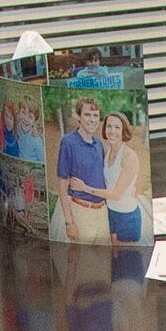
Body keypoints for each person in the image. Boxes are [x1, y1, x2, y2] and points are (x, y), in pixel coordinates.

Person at [55, 97, 112, 240]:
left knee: (105, 261)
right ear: (79, 117)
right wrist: (69, 222)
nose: (92, 119)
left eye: (95, 116)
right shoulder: (68, 143)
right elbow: (62, 184)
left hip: (102, 212)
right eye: (87, 115)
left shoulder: (99, 144)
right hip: (81, 212)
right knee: (83, 261)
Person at [103, 109, 148, 242]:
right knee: (114, 257)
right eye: (109, 126)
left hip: (127, 216)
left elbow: (117, 194)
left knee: (127, 260)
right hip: (111, 212)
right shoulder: (108, 151)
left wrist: (84, 188)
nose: (112, 131)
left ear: (124, 131)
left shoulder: (129, 157)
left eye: (117, 127)